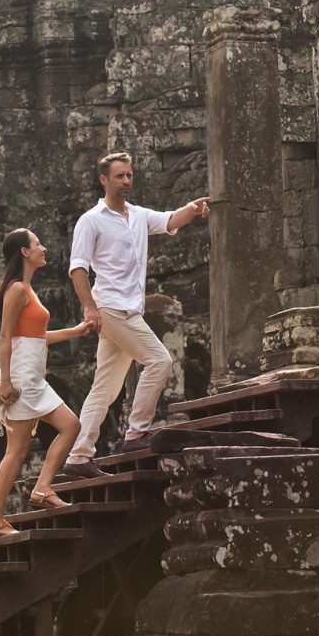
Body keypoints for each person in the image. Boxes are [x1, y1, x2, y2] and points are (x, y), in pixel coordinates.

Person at [64, 151, 209, 475]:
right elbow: (78, 269)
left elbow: (170, 220)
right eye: (120, 176)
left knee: (105, 387)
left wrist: (193, 209)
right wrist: (89, 307)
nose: (127, 181)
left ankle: (79, 456)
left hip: (129, 308)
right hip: (111, 308)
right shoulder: (91, 220)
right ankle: (136, 433)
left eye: (129, 175)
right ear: (104, 179)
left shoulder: (139, 216)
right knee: (160, 360)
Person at [0, 228, 92, 536]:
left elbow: (35, 337)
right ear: (25, 252)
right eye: (37, 244)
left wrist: (75, 331)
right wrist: (4, 381)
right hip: (20, 376)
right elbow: (5, 336)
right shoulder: (16, 289)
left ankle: (42, 488)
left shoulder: (27, 289)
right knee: (16, 451)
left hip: (34, 376)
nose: (43, 247)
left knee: (70, 426)